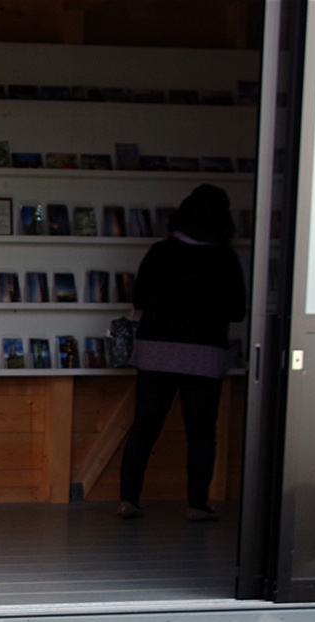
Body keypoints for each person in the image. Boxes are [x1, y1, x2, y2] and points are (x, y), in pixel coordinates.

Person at [117, 183, 247, 521]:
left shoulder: (159, 252)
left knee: (144, 427)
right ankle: (197, 504)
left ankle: (128, 500)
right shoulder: (225, 259)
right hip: (203, 355)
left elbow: (140, 301)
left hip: (156, 352)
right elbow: (237, 311)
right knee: (202, 432)